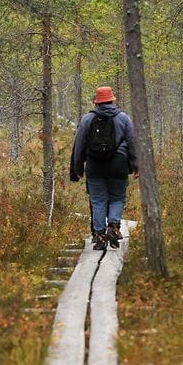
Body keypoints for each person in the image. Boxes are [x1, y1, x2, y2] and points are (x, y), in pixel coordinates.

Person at [69, 86, 138, 251]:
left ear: (97, 102)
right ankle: (113, 226)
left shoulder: (87, 119)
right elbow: (132, 143)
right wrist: (136, 165)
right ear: (112, 100)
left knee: (98, 200)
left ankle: (99, 236)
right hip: (118, 164)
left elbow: (79, 145)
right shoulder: (123, 118)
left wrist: (77, 167)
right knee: (117, 198)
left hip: (94, 166)